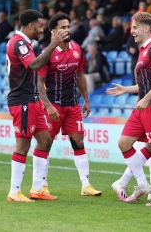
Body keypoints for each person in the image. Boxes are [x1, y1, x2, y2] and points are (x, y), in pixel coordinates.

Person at [108, 11, 151, 207]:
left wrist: (146, 99)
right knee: (124, 143)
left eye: (135, 27)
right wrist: (127, 89)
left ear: (146, 28)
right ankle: (142, 183)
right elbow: (148, 83)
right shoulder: (144, 49)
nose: (132, 31)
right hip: (144, 106)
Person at [37, 13, 102, 197]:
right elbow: (39, 82)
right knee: (45, 143)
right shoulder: (46, 54)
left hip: (72, 105)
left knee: (79, 141)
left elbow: (80, 76)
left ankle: (86, 185)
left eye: (68, 27)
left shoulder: (77, 50)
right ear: (54, 31)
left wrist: (86, 101)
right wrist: (48, 106)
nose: (67, 30)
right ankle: (42, 185)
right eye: (62, 28)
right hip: (53, 105)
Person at [6, 9, 68, 202]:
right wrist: (53, 44)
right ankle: (14, 191)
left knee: (45, 141)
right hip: (22, 100)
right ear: (31, 25)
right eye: (41, 26)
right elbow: (33, 65)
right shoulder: (19, 43)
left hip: (32, 100)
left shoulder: (25, 43)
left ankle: (37, 189)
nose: (43, 29)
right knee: (23, 145)